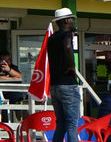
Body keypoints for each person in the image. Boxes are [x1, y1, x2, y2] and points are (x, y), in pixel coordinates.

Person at [48, 8, 82, 142]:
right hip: (67, 85)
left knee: (61, 124)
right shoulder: (67, 34)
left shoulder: (51, 38)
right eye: (72, 19)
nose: (74, 22)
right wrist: (72, 66)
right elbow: (68, 46)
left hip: (55, 85)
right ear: (67, 21)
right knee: (72, 124)